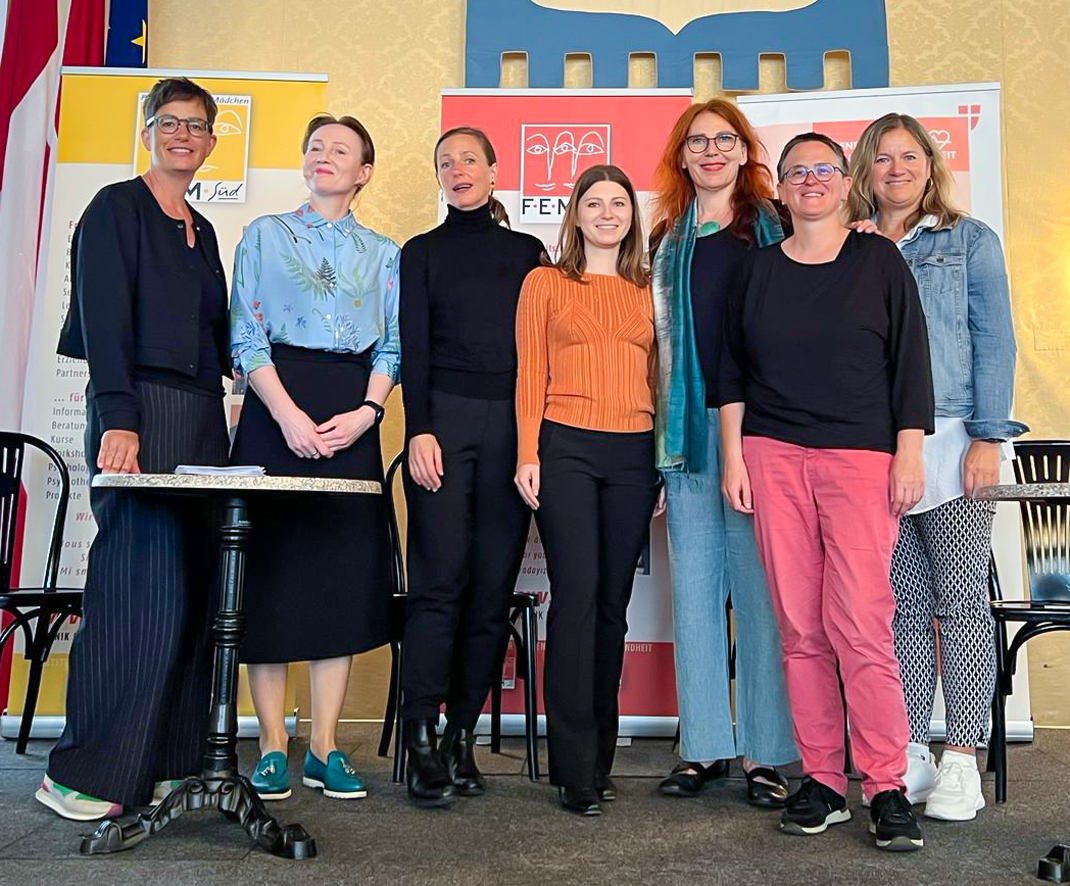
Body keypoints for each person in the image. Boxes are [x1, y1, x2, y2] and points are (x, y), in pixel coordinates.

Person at [719, 133, 934, 851]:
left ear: (846, 183)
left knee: (862, 626)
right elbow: (730, 373)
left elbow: (910, 361)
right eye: (796, 172)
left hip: (860, 459)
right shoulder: (755, 271)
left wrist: (909, 452)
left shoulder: (879, 260)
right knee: (800, 630)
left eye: (823, 169)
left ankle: (885, 784)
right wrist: (734, 459)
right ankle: (822, 781)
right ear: (780, 191)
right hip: (773, 458)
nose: (810, 180)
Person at [40, 78, 230, 820]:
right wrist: (119, 418)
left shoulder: (203, 229)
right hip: (139, 413)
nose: (184, 134)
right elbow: (105, 320)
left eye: (198, 125)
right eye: (170, 121)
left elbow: (213, 338)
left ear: (211, 141)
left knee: (192, 596)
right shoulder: (115, 209)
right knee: (138, 592)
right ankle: (86, 774)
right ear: (148, 131)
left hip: (203, 422)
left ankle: (163, 766)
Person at [848, 113, 1026, 821]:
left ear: (930, 164)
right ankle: (912, 747)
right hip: (875, 447)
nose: (896, 169)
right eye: (883, 158)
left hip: (953, 439)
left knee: (960, 602)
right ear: (865, 170)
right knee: (899, 607)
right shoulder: (851, 244)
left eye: (909, 156)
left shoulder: (969, 240)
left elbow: (995, 341)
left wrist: (987, 437)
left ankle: (961, 758)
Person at [229, 113, 399, 802]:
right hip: (275, 410)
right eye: (315, 146)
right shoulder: (264, 235)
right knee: (270, 575)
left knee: (337, 577)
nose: (324, 155)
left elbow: (393, 347)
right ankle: (272, 743)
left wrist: (367, 414)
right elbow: (245, 334)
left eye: (341, 149)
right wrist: (285, 414)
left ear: (363, 172)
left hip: (350, 413)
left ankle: (324, 745)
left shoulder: (385, 253)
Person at [649, 99, 798, 806]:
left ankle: (765, 754)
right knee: (696, 597)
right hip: (686, 432)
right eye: (697, 141)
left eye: (724, 139)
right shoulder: (665, 240)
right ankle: (704, 747)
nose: (711, 151)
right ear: (682, 157)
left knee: (762, 598)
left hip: (762, 428)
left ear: (743, 151)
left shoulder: (778, 227)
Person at [398, 126, 544, 808]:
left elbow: (539, 353)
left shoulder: (528, 253)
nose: (457, 170)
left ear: (493, 169)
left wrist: (532, 444)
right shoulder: (420, 252)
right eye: (445, 162)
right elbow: (414, 348)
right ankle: (421, 737)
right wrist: (419, 430)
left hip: (512, 430)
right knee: (438, 584)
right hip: (444, 426)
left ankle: (461, 736)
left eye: (468, 159)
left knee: (490, 592)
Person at [515, 164, 664, 817]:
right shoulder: (545, 282)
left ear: (632, 214)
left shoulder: (649, 288)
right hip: (565, 447)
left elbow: (661, 379)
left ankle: (600, 760)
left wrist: (662, 464)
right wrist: (527, 453)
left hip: (633, 451)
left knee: (612, 605)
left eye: (618, 203)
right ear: (575, 213)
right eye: (594, 203)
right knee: (575, 598)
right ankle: (573, 767)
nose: (607, 213)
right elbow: (530, 372)